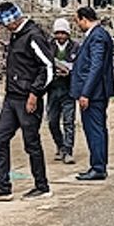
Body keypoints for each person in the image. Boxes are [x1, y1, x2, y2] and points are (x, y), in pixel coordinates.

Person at [0, 2, 54, 201]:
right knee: (0, 138)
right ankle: (2, 185)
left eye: (7, 25)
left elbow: (48, 68)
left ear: (15, 21)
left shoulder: (34, 36)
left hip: (28, 99)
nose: (6, 28)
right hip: (11, 97)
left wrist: (35, 94)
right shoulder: (16, 36)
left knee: (31, 143)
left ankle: (42, 186)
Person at [70, 6, 114, 181]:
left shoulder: (97, 37)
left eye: (77, 20)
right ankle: (98, 165)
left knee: (94, 129)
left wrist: (85, 93)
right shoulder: (99, 35)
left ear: (83, 19)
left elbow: (96, 67)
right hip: (96, 92)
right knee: (97, 129)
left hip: (94, 93)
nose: (77, 24)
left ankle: (98, 167)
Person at [47, 17, 78, 164]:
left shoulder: (75, 47)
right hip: (53, 89)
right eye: (57, 33)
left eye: (63, 33)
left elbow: (78, 66)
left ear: (68, 33)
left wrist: (69, 72)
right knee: (52, 121)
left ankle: (68, 151)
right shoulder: (49, 47)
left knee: (68, 122)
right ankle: (60, 145)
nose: (60, 36)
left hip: (68, 89)